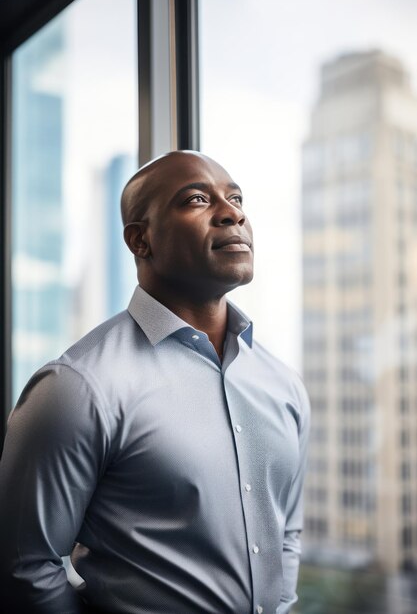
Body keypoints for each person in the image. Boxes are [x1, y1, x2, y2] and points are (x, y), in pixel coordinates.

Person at [0, 150, 310, 614]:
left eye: (237, 198)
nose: (233, 213)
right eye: (198, 199)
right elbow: (24, 567)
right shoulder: (78, 388)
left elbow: (286, 534)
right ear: (140, 240)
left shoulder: (283, 385)